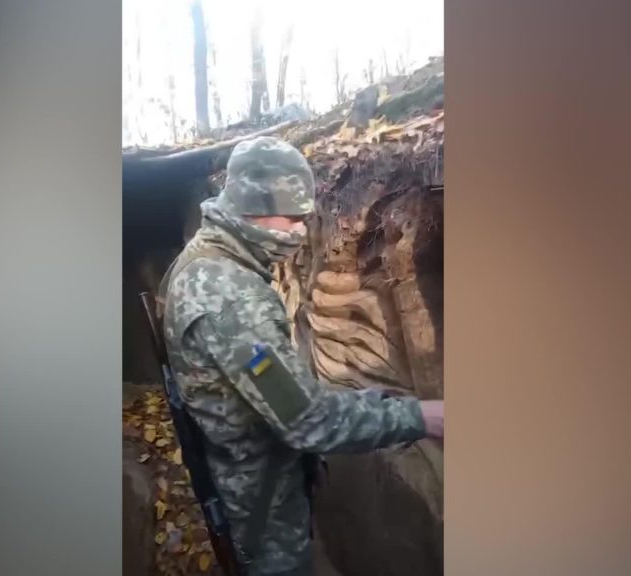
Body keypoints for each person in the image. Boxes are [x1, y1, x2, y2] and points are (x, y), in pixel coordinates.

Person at [159, 136, 444, 576]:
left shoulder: (205, 257)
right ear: (252, 204)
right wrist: (420, 416)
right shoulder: (231, 301)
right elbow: (308, 421)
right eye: (291, 217)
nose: (299, 231)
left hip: (247, 482)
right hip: (263, 511)